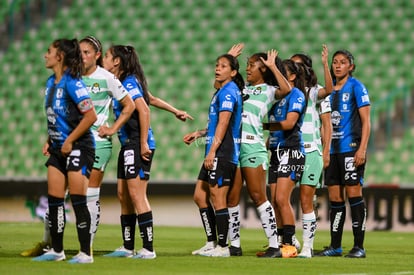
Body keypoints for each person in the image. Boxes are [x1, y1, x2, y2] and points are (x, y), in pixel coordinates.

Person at [21, 35, 136, 257]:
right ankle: (49, 244)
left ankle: (86, 247)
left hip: (96, 143)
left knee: (88, 195)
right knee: (56, 196)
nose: (82, 56)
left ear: (97, 55)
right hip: (66, 141)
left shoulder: (106, 78)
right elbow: (61, 112)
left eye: (87, 52)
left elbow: (129, 104)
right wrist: (50, 138)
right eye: (80, 52)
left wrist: (112, 129)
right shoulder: (70, 77)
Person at [32, 38, 97, 263]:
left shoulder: (73, 83)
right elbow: (58, 117)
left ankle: (85, 253)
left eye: (49, 51)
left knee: (78, 201)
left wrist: (69, 140)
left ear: (59, 56)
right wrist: (50, 139)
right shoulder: (51, 82)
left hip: (80, 147)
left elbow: (91, 116)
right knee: (54, 201)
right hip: (59, 148)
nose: (45, 55)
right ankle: (57, 251)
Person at [224, 46, 292, 258]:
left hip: (253, 147)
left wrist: (273, 66)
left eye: (252, 65)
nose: (248, 69)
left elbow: (287, 89)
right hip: (234, 146)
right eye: (246, 65)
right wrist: (229, 60)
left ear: (263, 69)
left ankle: (274, 245)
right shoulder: (241, 89)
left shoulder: (269, 91)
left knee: (258, 196)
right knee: (231, 197)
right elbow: (220, 87)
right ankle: (234, 245)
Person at [183, 53, 244, 257]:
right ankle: (211, 242)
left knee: (218, 198)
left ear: (233, 72)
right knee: (200, 196)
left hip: (222, 151)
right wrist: (199, 133)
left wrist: (211, 152)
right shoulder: (221, 91)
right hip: (215, 149)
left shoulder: (229, 92)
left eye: (224, 66)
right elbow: (215, 124)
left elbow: (224, 123)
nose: (218, 69)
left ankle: (223, 246)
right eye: (217, 65)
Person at [315, 49, 370, 258]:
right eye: (335, 62)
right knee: (335, 198)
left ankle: (359, 246)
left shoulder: (356, 87)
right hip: (332, 151)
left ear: (351, 66)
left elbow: (366, 121)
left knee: (355, 195)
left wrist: (362, 149)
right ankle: (335, 246)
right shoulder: (327, 92)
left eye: (343, 62)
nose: (338, 65)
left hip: (350, 149)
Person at [290, 45, 333, 258]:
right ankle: (289, 240)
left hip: (310, 150)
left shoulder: (315, 92)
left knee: (306, 199)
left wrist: (326, 152)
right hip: (289, 151)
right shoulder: (286, 93)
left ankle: (307, 246)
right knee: (281, 196)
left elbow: (327, 125)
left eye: (296, 64)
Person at [261, 59, 307, 258]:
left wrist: (259, 127)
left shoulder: (296, 95)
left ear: (293, 76)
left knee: (281, 198)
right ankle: (280, 243)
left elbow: (289, 124)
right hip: (276, 151)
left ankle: (289, 244)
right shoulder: (276, 95)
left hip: (292, 150)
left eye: (282, 71)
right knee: (274, 200)